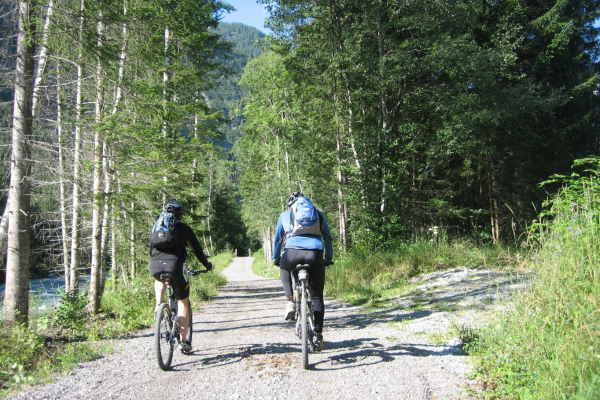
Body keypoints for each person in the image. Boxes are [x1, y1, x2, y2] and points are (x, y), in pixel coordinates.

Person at [149, 201, 212, 352]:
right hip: (175, 265)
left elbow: (151, 247)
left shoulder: (157, 227)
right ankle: (183, 341)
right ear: (180, 216)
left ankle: (159, 305)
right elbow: (196, 250)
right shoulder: (184, 229)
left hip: (154, 265)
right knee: (183, 302)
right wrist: (206, 265)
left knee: (159, 278)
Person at [273, 192, 333, 351]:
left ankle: (290, 300)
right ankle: (319, 336)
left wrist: (275, 259)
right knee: (318, 296)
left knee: (284, 266)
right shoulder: (317, 214)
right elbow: (327, 238)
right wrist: (328, 258)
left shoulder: (285, 215)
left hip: (292, 254)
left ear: (290, 206)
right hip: (315, 255)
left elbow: (278, 240)